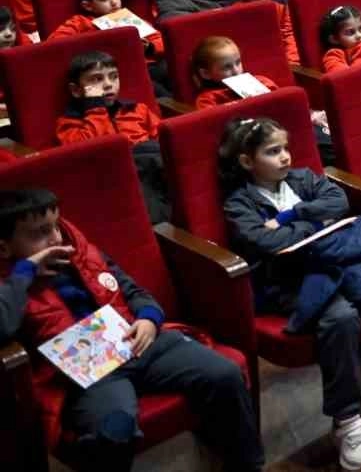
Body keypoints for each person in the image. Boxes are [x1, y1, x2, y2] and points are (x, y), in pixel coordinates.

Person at [220, 117, 361, 471]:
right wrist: (316, 224)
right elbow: (265, 242)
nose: (285, 157)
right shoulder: (239, 203)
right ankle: (347, 421)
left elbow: (337, 201)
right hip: (289, 281)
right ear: (247, 161)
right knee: (340, 317)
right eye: (273, 152)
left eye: (285, 148)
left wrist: (293, 216)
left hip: (338, 262)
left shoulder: (303, 178)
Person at [0, 187, 264, 472]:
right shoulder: (8, 283)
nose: (55, 238)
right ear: (4, 247)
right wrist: (23, 273)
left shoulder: (83, 253)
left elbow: (131, 290)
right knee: (115, 428)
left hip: (135, 340)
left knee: (225, 374)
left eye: (56, 226)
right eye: (39, 233)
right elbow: (3, 325)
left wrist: (149, 317)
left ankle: (246, 465)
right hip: (86, 372)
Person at [54, 50, 169, 222]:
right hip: (114, 179)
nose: (108, 84)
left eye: (114, 77)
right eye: (97, 79)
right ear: (76, 90)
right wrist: (95, 108)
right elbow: (91, 153)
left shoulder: (137, 109)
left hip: (155, 171)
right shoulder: (69, 123)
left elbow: (163, 141)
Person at [319, 6, 361, 71]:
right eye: (350, 32)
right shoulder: (335, 54)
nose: (359, 35)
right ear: (334, 39)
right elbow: (342, 75)